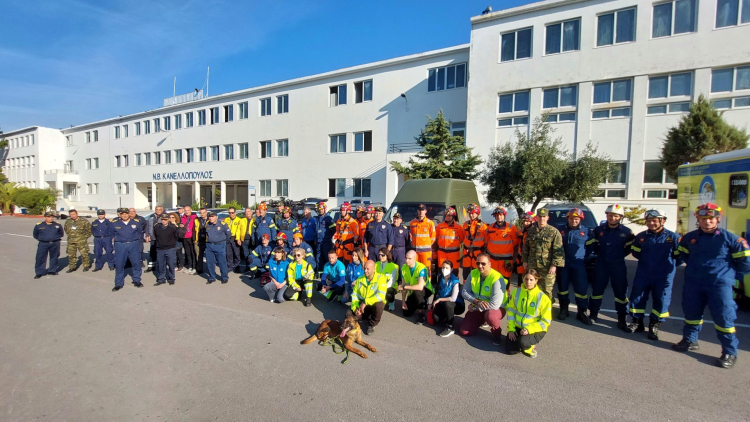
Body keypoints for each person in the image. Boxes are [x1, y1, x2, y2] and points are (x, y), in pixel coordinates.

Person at [672, 203, 749, 369]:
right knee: (691, 312)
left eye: (711, 219)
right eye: (703, 218)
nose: (707, 222)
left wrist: (730, 277)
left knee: (724, 317)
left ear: (718, 219)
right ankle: (689, 340)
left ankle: (729, 351)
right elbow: (684, 255)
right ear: (698, 219)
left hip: (720, 284)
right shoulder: (690, 237)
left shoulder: (731, 239)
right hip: (694, 282)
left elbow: (745, 263)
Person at [626, 209, 679, 339]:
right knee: (637, 297)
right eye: (649, 221)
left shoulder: (673, 238)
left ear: (663, 221)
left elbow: (680, 257)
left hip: (664, 275)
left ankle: (654, 325)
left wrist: (668, 267)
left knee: (661, 299)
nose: (651, 223)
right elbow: (636, 253)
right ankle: (637, 322)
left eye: (654, 221)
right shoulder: (641, 237)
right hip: (644, 272)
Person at [586, 203, 634, 330]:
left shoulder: (627, 232)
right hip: (601, 264)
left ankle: (622, 319)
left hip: (618, 265)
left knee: (621, 294)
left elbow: (629, 249)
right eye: (610, 215)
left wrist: (618, 256)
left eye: (616, 216)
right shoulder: (598, 230)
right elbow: (594, 246)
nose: (612, 218)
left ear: (620, 217)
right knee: (597, 291)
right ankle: (593, 314)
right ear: (607, 215)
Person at [459, 253, 507, 345]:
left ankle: (497, 334)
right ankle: (482, 319)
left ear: (489, 264)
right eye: (478, 263)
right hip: (478, 305)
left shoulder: (497, 278)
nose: (480, 266)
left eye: (483, 264)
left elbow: (495, 305)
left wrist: (474, 308)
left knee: (491, 316)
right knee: (464, 332)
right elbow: (464, 292)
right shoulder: (473, 273)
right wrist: (476, 301)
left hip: (497, 309)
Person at [557, 208, 594, 325]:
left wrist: (583, 257)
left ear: (580, 219)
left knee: (581, 289)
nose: (574, 221)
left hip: (578, 264)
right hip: (563, 264)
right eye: (571, 218)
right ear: (568, 218)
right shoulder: (560, 230)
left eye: (576, 219)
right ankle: (564, 309)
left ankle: (582, 312)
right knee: (562, 289)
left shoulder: (587, 232)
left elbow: (590, 248)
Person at [506, 269, 552, 358]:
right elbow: (511, 311)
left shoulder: (543, 298)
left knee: (523, 343)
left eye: (531, 280)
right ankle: (520, 341)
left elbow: (546, 321)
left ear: (536, 281)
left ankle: (531, 348)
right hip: (518, 327)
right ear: (523, 278)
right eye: (526, 279)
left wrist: (529, 329)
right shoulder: (517, 292)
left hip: (535, 330)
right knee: (510, 350)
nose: (528, 282)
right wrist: (511, 329)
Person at [522, 208, 564, 300]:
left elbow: (558, 250)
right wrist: (524, 261)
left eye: (544, 217)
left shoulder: (554, 232)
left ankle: (546, 312)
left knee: (546, 291)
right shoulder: (531, 232)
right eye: (540, 217)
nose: (542, 219)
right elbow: (525, 248)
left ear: (547, 217)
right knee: (531, 289)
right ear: (536, 217)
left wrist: (554, 265)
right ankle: (533, 310)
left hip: (547, 268)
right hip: (533, 266)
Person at [112, 208, 146, 291]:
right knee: (119, 264)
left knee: (136, 263)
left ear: (129, 214)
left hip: (133, 244)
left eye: (126, 213)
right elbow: (112, 234)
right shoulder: (114, 223)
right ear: (120, 215)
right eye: (122, 214)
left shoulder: (136, 223)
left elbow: (139, 233)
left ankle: (137, 280)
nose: (124, 215)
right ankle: (118, 283)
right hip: (120, 245)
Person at [351, 260, 388, 335]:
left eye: (368, 269)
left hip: (372, 304)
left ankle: (372, 324)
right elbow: (354, 295)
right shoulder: (360, 279)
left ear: (374, 269)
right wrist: (355, 308)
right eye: (364, 268)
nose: (365, 271)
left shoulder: (381, 279)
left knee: (380, 304)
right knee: (348, 315)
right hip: (363, 305)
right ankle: (364, 317)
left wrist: (366, 302)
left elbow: (381, 295)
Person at [430, 260, 465, 337]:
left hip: (457, 305)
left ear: (451, 269)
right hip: (443, 302)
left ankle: (450, 327)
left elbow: (453, 298)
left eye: (447, 268)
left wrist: (439, 300)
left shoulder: (455, 281)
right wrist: (432, 303)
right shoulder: (439, 277)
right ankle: (448, 315)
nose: (444, 269)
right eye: (443, 267)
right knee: (435, 318)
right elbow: (437, 292)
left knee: (448, 304)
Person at [398, 250, 433, 323]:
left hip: (425, 290)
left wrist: (404, 287)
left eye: (409, 259)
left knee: (418, 292)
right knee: (406, 313)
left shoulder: (421, 268)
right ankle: (424, 304)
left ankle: (421, 313)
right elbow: (404, 287)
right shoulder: (404, 268)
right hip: (413, 291)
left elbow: (420, 287)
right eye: (406, 258)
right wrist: (403, 302)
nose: (407, 260)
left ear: (415, 259)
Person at [485, 206, 518, 284]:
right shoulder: (490, 228)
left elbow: (516, 244)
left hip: (505, 260)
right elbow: (486, 242)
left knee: (505, 280)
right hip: (492, 259)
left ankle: (505, 295)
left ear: (504, 215)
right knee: (492, 279)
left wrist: (514, 260)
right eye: (497, 215)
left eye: (500, 215)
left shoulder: (511, 228)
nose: (499, 217)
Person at [33, 211, 64, 278]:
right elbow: (35, 234)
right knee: (40, 258)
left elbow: (61, 233)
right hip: (43, 244)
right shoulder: (39, 225)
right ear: (45, 217)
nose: (51, 218)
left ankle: (52, 270)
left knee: (54, 257)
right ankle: (39, 272)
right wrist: (43, 239)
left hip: (55, 243)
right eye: (49, 217)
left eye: (52, 217)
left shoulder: (58, 225)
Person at [461, 203, 487, 282]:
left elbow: (486, 241)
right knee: (465, 273)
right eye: (470, 214)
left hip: (477, 253)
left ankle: (476, 289)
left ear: (477, 213)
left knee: (477, 272)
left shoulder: (483, 226)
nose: (471, 215)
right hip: (467, 253)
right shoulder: (465, 224)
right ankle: (465, 289)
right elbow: (463, 237)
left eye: (473, 214)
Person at [204, 211, 232, 284]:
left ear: (216, 217)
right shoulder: (207, 224)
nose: (210, 218)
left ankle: (224, 277)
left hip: (219, 245)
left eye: (212, 216)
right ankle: (212, 277)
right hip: (209, 245)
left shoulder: (223, 224)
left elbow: (228, 234)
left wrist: (223, 241)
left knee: (222, 262)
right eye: (209, 216)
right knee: (210, 262)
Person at [409, 204, 436, 278]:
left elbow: (433, 237)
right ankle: (416, 286)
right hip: (415, 251)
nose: (421, 212)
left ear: (425, 211)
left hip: (425, 252)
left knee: (426, 269)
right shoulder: (412, 222)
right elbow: (411, 235)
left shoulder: (430, 223)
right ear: (417, 211)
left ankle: (427, 287)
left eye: (423, 210)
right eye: (420, 210)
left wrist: (426, 245)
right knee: (415, 268)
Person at [435, 207, 465, 274]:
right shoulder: (440, 226)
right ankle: (442, 284)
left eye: (449, 216)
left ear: (453, 216)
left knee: (454, 270)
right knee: (442, 270)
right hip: (442, 253)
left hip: (454, 253)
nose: (447, 217)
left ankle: (454, 284)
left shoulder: (458, 227)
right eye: (446, 215)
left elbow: (462, 239)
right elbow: (437, 238)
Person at [153, 213, 179, 285]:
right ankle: (161, 279)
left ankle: (171, 278)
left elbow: (176, 236)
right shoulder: (157, 227)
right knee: (160, 264)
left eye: (165, 219)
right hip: (160, 248)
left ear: (168, 220)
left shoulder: (173, 227)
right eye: (162, 219)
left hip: (170, 248)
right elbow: (156, 236)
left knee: (171, 264)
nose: (163, 221)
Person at [223, 207, 246, 273]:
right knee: (229, 253)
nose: (231, 214)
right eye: (229, 213)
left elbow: (240, 230)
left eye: (232, 213)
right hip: (227, 237)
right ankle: (230, 266)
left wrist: (239, 239)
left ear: (235, 213)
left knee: (236, 253)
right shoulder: (226, 219)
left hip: (235, 238)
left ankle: (236, 266)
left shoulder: (239, 220)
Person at [514, 211, 536, 281]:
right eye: (524, 221)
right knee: (520, 278)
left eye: (527, 221)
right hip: (520, 258)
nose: (525, 223)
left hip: (530, 260)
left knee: (529, 278)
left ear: (532, 221)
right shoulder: (522, 231)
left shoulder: (535, 232)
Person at [314, 202, 335, 272]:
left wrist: (328, 236)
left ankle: (328, 273)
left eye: (322, 209)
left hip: (326, 242)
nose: (320, 210)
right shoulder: (316, 219)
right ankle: (320, 273)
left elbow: (334, 229)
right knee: (319, 258)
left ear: (325, 209)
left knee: (327, 257)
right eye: (319, 209)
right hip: (318, 242)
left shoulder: (328, 218)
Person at [144, 205, 164, 273]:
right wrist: (147, 235)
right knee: (152, 252)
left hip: (161, 238)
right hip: (153, 237)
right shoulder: (152, 216)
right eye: (157, 209)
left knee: (160, 253)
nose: (158, 211)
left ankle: (160, 267)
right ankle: (151, 266)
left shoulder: (164, 216)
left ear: (162, 210)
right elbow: (147, 226)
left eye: (159, 209)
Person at [180, 206, 198, 275]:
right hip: (185, 237)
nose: (186, 212)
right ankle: (190, 266)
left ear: (191, 210)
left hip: (192, 237)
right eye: (185, 210)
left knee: (193, 253)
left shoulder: (195, 217)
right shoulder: (183, 218)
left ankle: (194, 267)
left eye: (188, 210)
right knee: (188, 253)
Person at [239, 207, 255, 273]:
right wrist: (238, 239)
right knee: (246, 254)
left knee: (252, 254)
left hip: (252, 239)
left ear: (251, 212)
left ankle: (252, 268)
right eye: (246, 211)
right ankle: (247, 267)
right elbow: (238, 230)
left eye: (249, 211)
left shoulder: (255, 220)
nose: (247, 213)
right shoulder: (242, 220)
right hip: (244, 239)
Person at [194, 207, 209, 274]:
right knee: (199, 256)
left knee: (209, 256)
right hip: (199, 240)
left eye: (204, 213)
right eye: (201, 213)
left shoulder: (209, 219)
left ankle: (210, 270)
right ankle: (199, 269)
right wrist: (194, 239)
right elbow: (194, 230)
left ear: (206, 213)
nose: (202, 214)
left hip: (207, 241)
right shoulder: (197, 220)